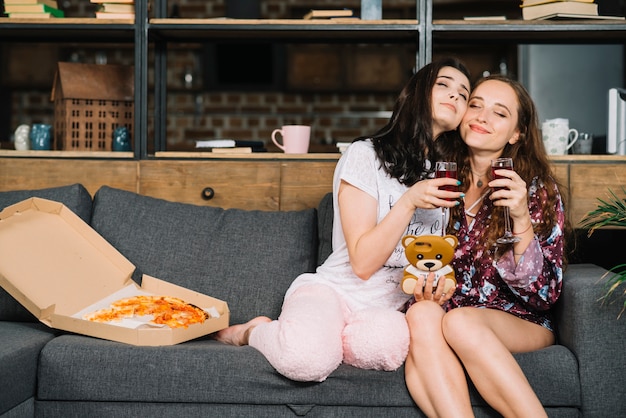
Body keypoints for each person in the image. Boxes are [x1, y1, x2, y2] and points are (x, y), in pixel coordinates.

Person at [215, 57, 470, 382]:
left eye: (463, 94)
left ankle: (329, 339)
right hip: (335, 291)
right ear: (418, 92)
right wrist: (408, 201)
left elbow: (422, 259)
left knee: (384, 349)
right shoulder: (366, 155)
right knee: (304, 360)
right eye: (444, 85)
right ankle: (254, 332)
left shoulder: (442, 174)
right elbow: (363, 263)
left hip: (385, 309)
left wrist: (430, 288)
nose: (455, 96)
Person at [404, 74, 567, 417]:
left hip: (520, 319)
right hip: (452, 312)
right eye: (475, 105)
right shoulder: (438, 181)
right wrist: (428, 286)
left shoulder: (534, 189)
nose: (481, 117)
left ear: (516, 133)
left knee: (461, 322)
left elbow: (543, 296)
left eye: (499, 113)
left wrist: (521, 218)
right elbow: (421, 255)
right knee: (421, 314)